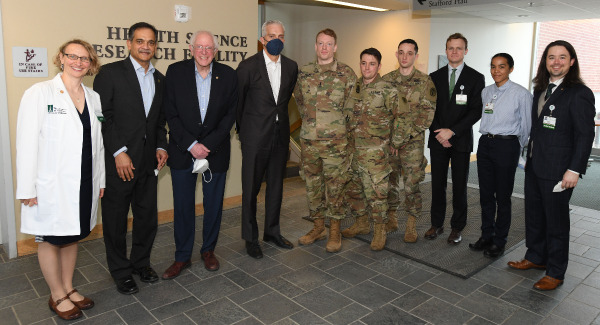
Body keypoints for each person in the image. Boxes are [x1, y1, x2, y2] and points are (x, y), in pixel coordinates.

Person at [16, 39, 104, 320]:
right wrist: (27, 187)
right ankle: (56, 294)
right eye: (72, 56)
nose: (78, 62)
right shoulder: (40, 93)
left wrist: (100, 179)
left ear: (91, 64)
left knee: (72, 236)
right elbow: (26, 143)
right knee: (51, 238)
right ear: (61, 58)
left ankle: (68, 287)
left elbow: (98, 143)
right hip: (50, 185)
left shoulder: (93, 97)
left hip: (84, 181)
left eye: (85, 58)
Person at [508, 40, 595, 291]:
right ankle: (535, 257)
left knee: (556, 222)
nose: (556, 62)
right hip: (535, 166)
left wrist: (574, 169)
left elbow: (584, 135)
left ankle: (555, 272)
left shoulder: (580, 93)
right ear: (545, 61)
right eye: (551, 57)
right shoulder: (541, 89)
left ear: (572, 61)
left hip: (559, 170)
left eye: (562, 57)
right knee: (534, 216)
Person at [93, 22, 168, 294]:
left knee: (147, 218)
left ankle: (141, 263)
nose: (145, 46)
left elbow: (159, 121)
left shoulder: (160, 79)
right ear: (129, 43)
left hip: (148, 164)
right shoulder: (109, 74)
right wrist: (118, 151)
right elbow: (104, 117)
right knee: (115, 221)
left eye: (150, 42)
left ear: (155, 46)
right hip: (120, 163)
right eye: (140, 41)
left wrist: (162, 146)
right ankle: (121, 271)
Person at [161, 30, 238, 278]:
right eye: (200, 47)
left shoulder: (228, 75)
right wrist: (191, 144)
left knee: (213, 205)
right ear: (191, 48)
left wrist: (208, 145)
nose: (204, 52)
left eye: (209, 48)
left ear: (216, 51)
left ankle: (208, 251)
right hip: (183, 152)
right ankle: (182, 257)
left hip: (216, 153)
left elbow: (230, 115)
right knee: (183, 207)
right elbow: (170, 113)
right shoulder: (175, 72)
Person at [236, 20, 298, 259]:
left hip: (280, 137)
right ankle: (251, 238)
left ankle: (272, 232)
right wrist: (245, 132)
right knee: (250, 188)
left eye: (281, 36)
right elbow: (238, 103)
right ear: (262, 39)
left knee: (276, 187)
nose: (276, 40)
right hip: (254, 138)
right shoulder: (247, 67)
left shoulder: (291, 67)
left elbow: (283, 102)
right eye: (272, 36)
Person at [294, 28, 356, 253]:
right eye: (320, 43)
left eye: (328, 44)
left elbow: (352, 109)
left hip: (336, 145)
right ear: (315, 46)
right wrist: (313, 124)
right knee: (312, 186)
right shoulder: (304, 72)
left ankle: (334, 231)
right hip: (309, 142)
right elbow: (300, 102)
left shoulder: (347, 74)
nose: (324, 48)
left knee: (335, 188)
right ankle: (318, 227)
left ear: (335, 47)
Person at [469, 53, 532, 258]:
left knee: (502, 197)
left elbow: (527, 126)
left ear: (510, 69)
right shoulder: (486, 92)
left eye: (502, 67)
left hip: (507, 146)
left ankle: (500, 241)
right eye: (493, 66)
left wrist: (515, 147)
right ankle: (486, 235)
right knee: (485, 194)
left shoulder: (521, 94)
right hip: (486, 144)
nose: (496, 71)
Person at [427, 33, 485, 244]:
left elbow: (476, 111)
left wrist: (451, 131)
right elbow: (428, 108)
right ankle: (436, 224)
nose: (454, 52)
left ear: (465, 51)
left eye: (458, 48)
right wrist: (439, 133)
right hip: (437, 140)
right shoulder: (434, 76)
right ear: (446, 50)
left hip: (460, 140)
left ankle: (457, 227)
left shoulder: (475, 78)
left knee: (459, 186)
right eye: (450, 48)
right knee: (437, 185)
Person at [344, 48, 403, 251]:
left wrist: (396, 142)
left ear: (379, 66)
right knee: (353, 191)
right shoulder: (353, 87)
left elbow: (402, 118)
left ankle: (380, 230)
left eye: (371, 63)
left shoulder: (388, 89)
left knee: (377, 195)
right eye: (363, 63)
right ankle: (361, 222)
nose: (367, 67)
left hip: (376, 154)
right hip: (353, 152)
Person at [382, 39, 436, 243]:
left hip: (412, 143)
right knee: (390, 181)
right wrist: (392, 139)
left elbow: (427, 115)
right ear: (396, 55)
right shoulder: (386, 80)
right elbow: (381, 113)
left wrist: (404, 138)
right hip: (389, 143)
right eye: (401, 53)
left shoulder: (425, 82)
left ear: (416, 56)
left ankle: (411, 223)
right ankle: (392, 218)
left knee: (411, 184)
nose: (405, 57)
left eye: (409, 53)